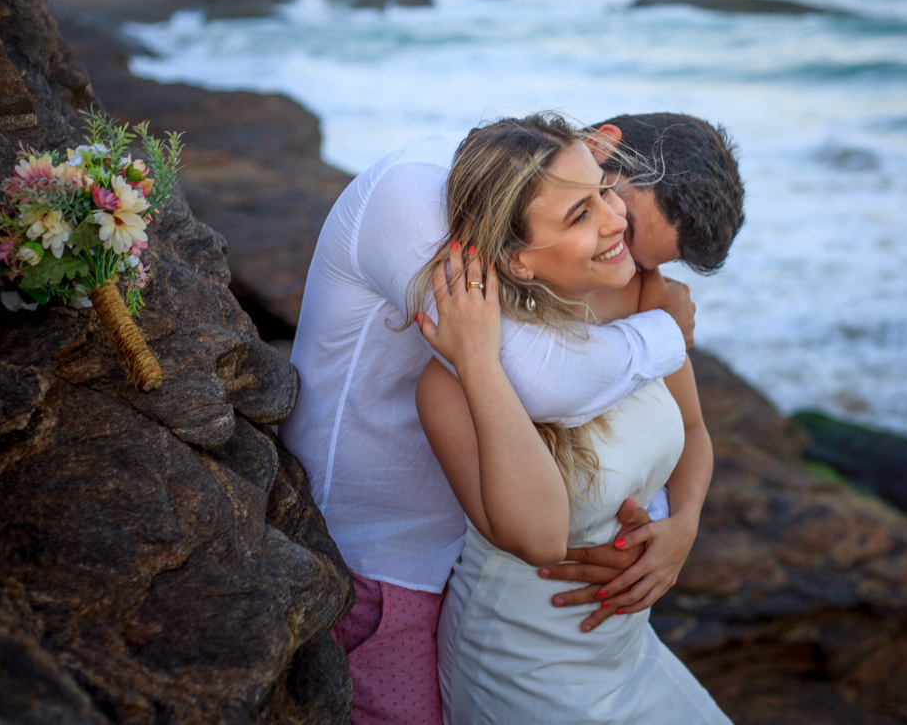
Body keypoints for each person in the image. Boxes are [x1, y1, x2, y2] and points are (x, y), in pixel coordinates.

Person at [279, 112, 743, 724]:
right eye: (608, 218)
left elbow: (679, 431)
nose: (620, 249)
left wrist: (676, 526)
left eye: (649, 260)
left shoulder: (611, 270)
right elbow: (533, 378)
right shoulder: (420, 196)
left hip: (529, 595)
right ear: (602, 147)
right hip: (389, 556)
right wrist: (663, 333)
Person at [412, 113, 732, 723]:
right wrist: (479, 363)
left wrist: (682, 527)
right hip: (527, 664)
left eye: (604, 194)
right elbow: (539, 538)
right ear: (518, 260)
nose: (614, 223)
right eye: (579, 215)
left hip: (628, 651)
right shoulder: (450, 385)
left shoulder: (639, 295)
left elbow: (692, 430)